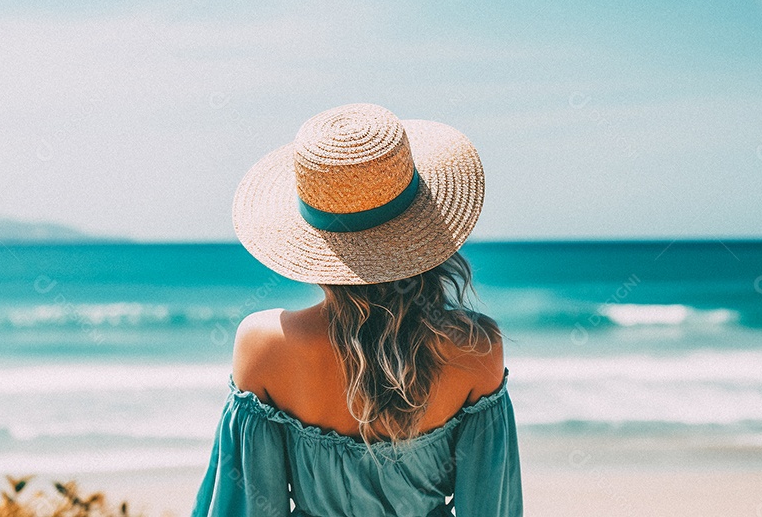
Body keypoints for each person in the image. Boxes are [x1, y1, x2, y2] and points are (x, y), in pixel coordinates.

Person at [192, 103, 522, 516]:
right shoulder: (476, 348)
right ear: (426, 232)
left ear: (314, 242)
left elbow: (248, 506)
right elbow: (491, 507)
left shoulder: (265, 344)